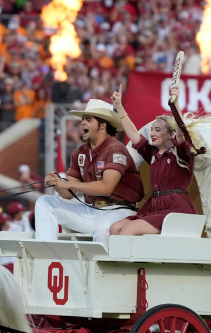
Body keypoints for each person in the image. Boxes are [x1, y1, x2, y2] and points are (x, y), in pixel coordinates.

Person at [35, 98, 144, 246]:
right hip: (92, 210)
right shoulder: (80, 152)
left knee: (102, 228)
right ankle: (45, 254)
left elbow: (106, 188)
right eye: (83, 119)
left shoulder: (116, 149)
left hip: (120, 211)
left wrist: (67, 185)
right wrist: (58, 184)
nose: (82, 123)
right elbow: (68, 194)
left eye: (88, 119)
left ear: (103, 125)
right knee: (44, 202)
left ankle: (105, 268)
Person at [108, 81, 202, 237]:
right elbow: (133, 134)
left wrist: (175, 103)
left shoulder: (181, 152)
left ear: (170, 135)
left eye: (157, 130)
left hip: (176, 208)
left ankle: (131, 261)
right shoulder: (152, 154)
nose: (152, 133)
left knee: (128, 231)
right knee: (115, 229)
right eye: (151, 130)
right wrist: (119, 107)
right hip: (155, 206)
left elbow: (181, 132)